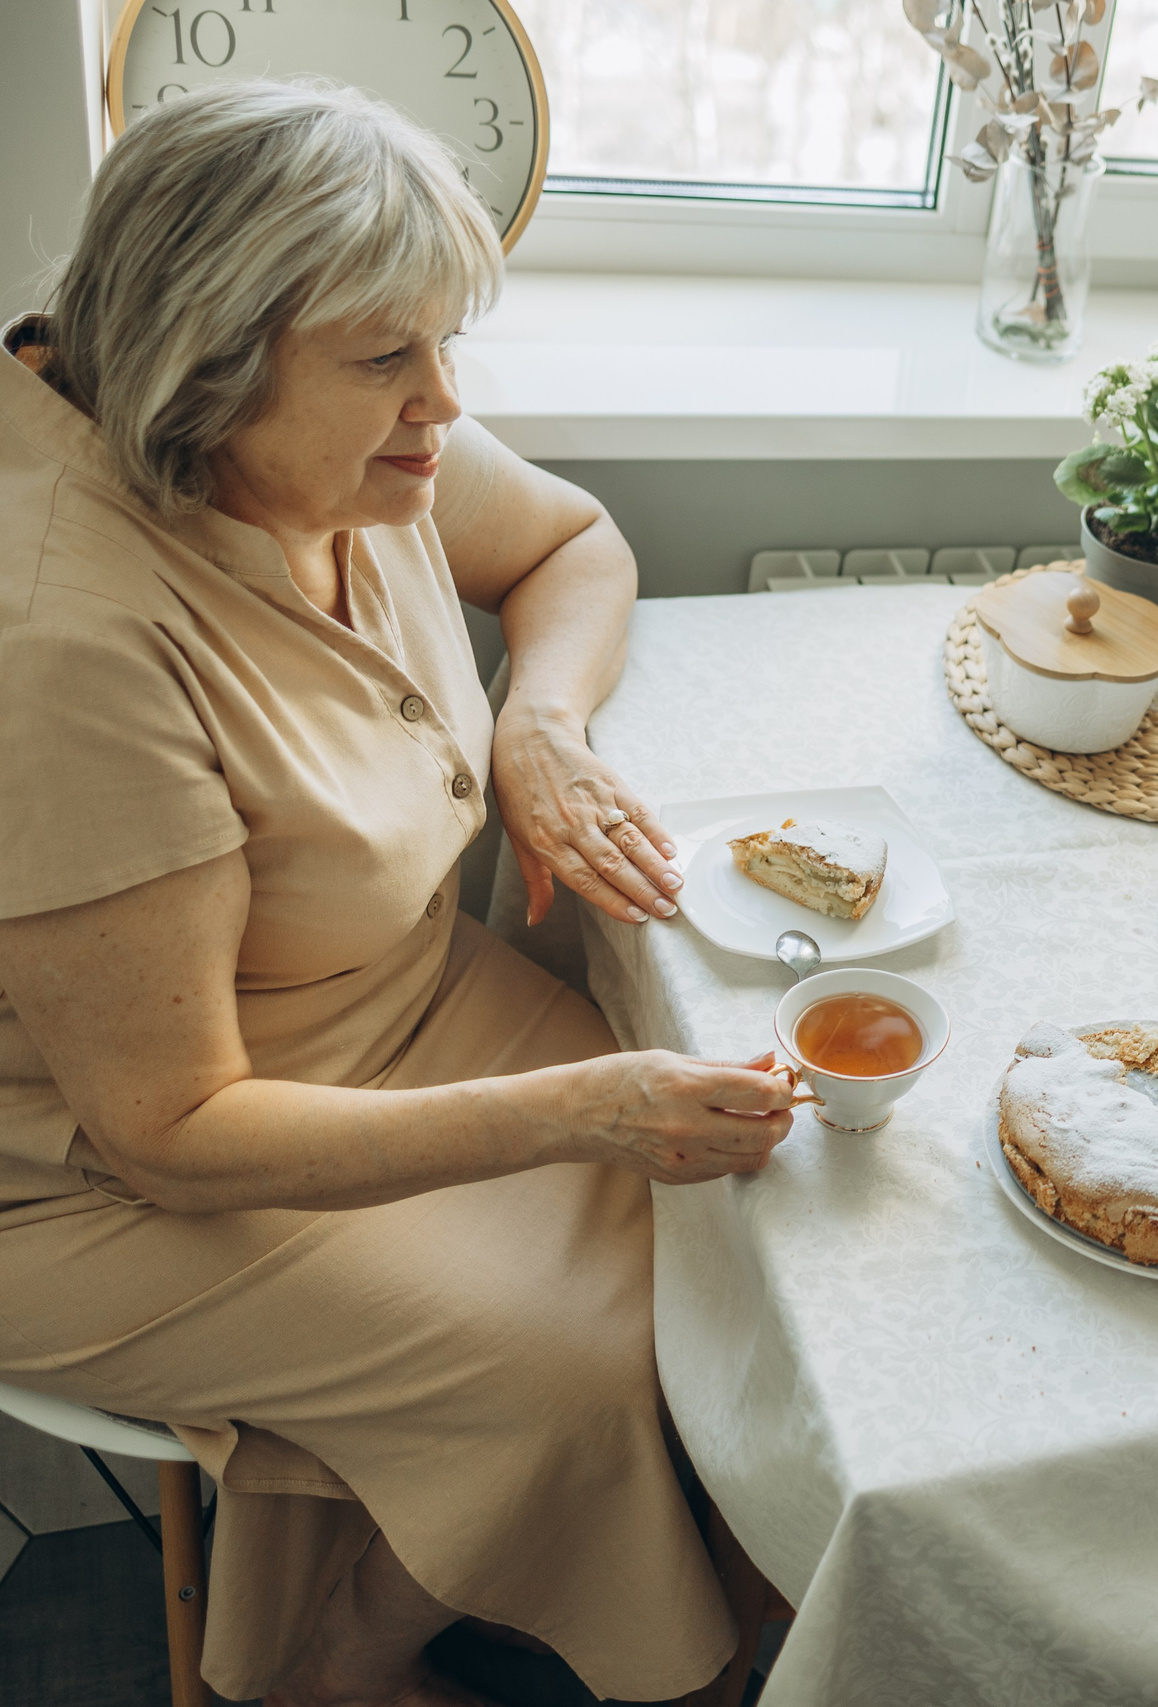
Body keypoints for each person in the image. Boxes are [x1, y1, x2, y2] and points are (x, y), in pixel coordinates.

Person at [0, 83, 795, 1706]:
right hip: (118, 1168)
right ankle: (353, 1659)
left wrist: (539, 728)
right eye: (387, 360)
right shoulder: (64, 645)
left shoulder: (346, 443)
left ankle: (370, 1618)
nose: (444, 401)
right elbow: (170, 1124)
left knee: (742, 1244)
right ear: (205, 367)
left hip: (393, 1005)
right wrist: (582, 1111)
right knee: (574, 1364)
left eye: (446, 345)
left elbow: (572, 543)